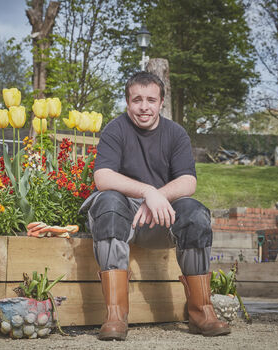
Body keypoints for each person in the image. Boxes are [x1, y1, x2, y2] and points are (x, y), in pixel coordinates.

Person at [81, 71, 230, 341]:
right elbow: (102, 177)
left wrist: (158, 197)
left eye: (151, 99)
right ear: (128, 103)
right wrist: (148, 191)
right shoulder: (116, 129)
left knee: (195, 214)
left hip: (160, 222)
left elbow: (188, 181)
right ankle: (115, 315)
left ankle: (202, 312)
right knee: (109, 202)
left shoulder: (175, 134)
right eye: (137, 99)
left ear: (161, 102)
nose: (144, 106)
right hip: (122, 217)